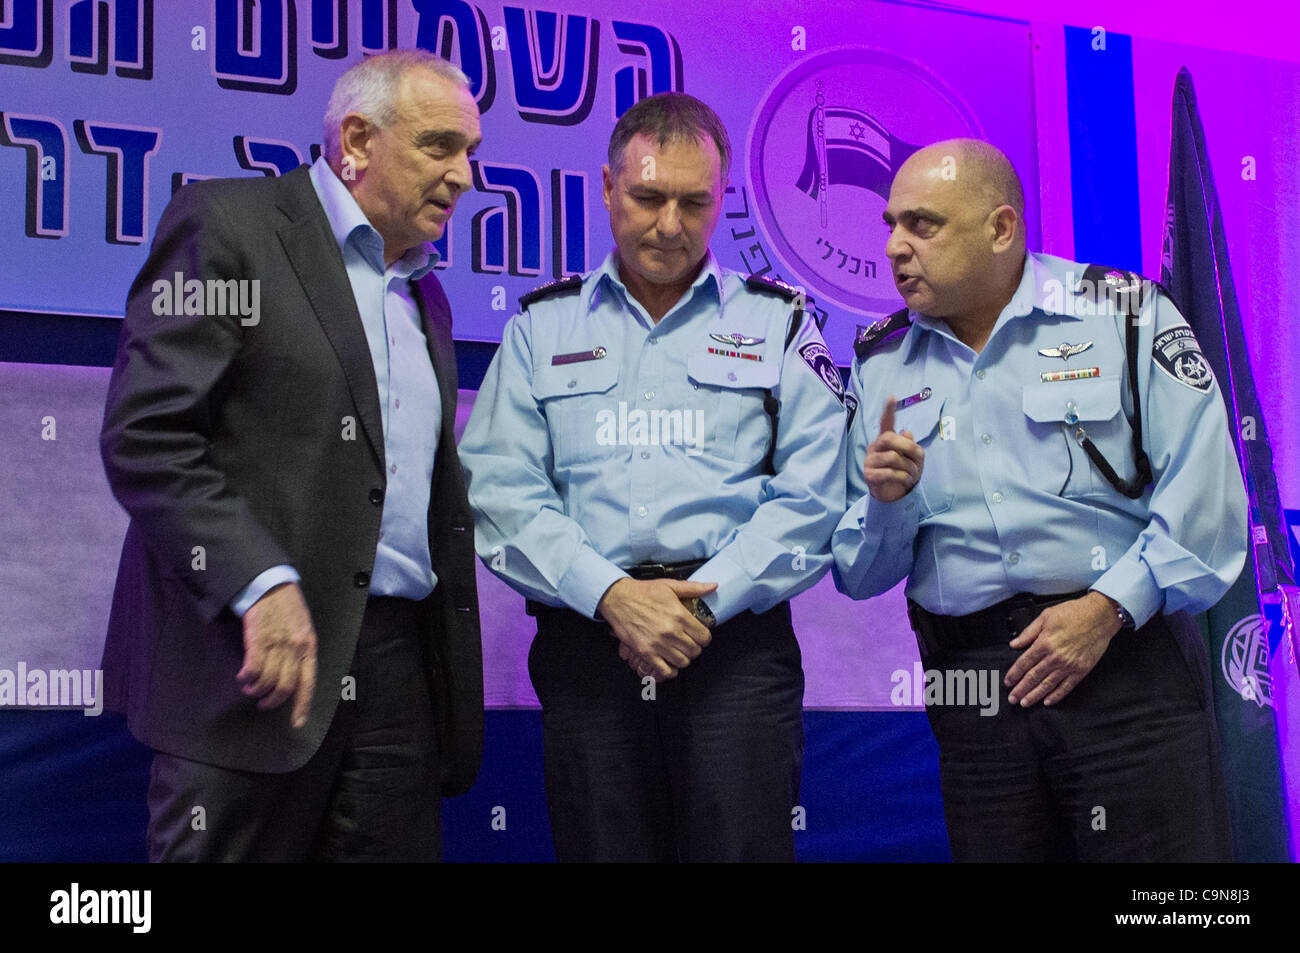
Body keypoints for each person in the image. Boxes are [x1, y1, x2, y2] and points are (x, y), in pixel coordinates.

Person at [99, 50, 484, 862]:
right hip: (249, 658)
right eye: (441, 146)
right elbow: (149, 433)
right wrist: (260, 582)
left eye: (470, 153)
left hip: (397, 677)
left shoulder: (427, 292)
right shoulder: (227, 226)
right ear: (356, 138)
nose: (464, 175)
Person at [832, 138, 1247, 862]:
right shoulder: (881, 361)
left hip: (1123, 662)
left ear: (1001, 228)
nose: (896, 247)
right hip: (976, 687)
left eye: (922, 225)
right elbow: (859, 573)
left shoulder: (1123, 313)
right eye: (891, 225)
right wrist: (889, 503)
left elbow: (1207, 495)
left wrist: (1110, 605)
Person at [459, 92, 846, 862]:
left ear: (722, 200)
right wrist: (612, 595)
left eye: (695, 202)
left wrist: (702, 608)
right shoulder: (542, 326)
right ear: (607, 188)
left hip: (735, 649)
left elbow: (816, 490)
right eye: (648, 197)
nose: (670, 223)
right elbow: (500, 489)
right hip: (589, 644)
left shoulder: (778, 322)